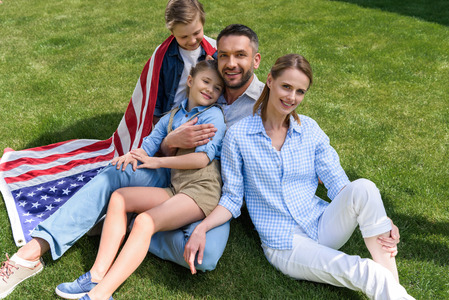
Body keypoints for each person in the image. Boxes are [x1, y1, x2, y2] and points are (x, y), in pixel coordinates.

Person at [0, 23, 265, 299]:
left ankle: (122, 226)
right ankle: (35, 252)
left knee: (202, 257)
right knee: (117, 173)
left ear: (255, 60)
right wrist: (170, 143)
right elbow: (156, 143)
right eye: (224, 55)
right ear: (214, 56)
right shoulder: (194, 95)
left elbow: (220, 164)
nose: (230, 63)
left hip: (208, 190)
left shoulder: (262, 105)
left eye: (240, 56)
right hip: (173, 176)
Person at [183, 54, 414, 299]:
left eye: (300, 91)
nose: (292, 97)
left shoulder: (310, 130)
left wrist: (380, 218)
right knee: (366, 271)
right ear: (270, 81)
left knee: (365, 187)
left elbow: (339, 183)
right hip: (285, 244)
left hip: (321, 224)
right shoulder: (238, 136)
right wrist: (202, 228)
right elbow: (231, 198)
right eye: (286, 86)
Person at [56, 60, 226, 300]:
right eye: (206, 81)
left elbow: (200, 160)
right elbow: (147, 147)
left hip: (201, 191)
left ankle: (102, 294)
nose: (210, 89)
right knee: (119, 198)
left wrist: (159, 162)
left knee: (145, 222)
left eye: (217, 88)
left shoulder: (214, 115)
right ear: (191, 81)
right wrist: (131, 156)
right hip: (176, 188)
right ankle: (96, 274)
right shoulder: (173, 116)